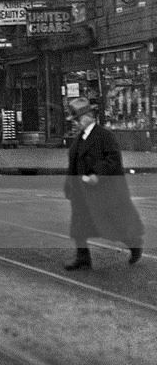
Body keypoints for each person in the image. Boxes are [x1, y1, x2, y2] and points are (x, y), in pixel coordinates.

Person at [62, 97, 144, 270]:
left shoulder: (104, 135)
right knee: (79, 225)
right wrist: (69, 184)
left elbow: (113, 160)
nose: (75, 124)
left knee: (112, 224)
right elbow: (74, 163)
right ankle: (83, 257)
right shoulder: (79, 139)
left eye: (76, 120)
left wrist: (96, 175)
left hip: (101, 191)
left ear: (87, 117)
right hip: (81, 191)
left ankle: (134, 243)